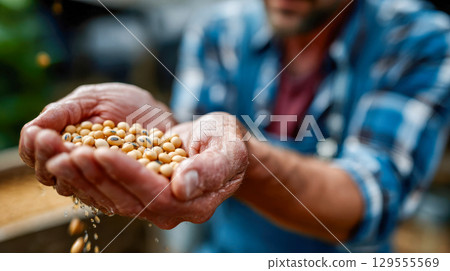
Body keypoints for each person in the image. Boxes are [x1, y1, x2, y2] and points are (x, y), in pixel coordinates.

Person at [19, 0, 450, 252]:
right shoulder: (220, 30)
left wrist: (246, 155)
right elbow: (189, 143)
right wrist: (163, 128)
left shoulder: (417, 40)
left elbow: (373, 196)